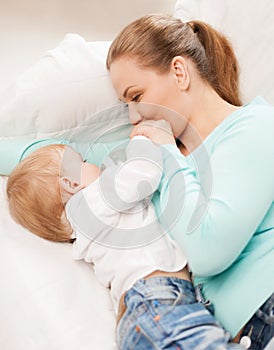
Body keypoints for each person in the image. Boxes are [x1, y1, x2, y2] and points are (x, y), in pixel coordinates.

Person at [106, 14, 274, 349]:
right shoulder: (156, 161)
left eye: (136, 97)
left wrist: (168, 153)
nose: (132, 117)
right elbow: (59, 157)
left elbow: (209, 251)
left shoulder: (257, 127)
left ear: (180, 73)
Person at [6, 139, 244, 350]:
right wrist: (142, 140)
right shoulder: (91, 201)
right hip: (155, 301)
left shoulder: (86, 227)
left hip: (148, 312)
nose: (95, 165)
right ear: (71, 183)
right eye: (84, 161)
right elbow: (144, 172)